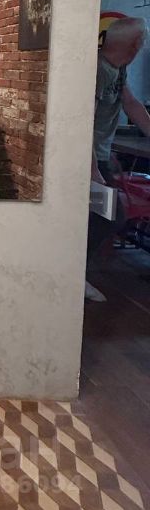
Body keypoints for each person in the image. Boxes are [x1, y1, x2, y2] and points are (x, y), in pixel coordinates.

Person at [87, 16, 150, 301]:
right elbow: (84, 121)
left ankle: (74, 273)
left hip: (98, 158)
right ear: (136, 44)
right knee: (109, 216)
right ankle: (74, 274)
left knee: (101, 216)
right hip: (89, 162)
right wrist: (93, 170)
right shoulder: (98, 70)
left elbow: (132, 104)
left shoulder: (117, 68)